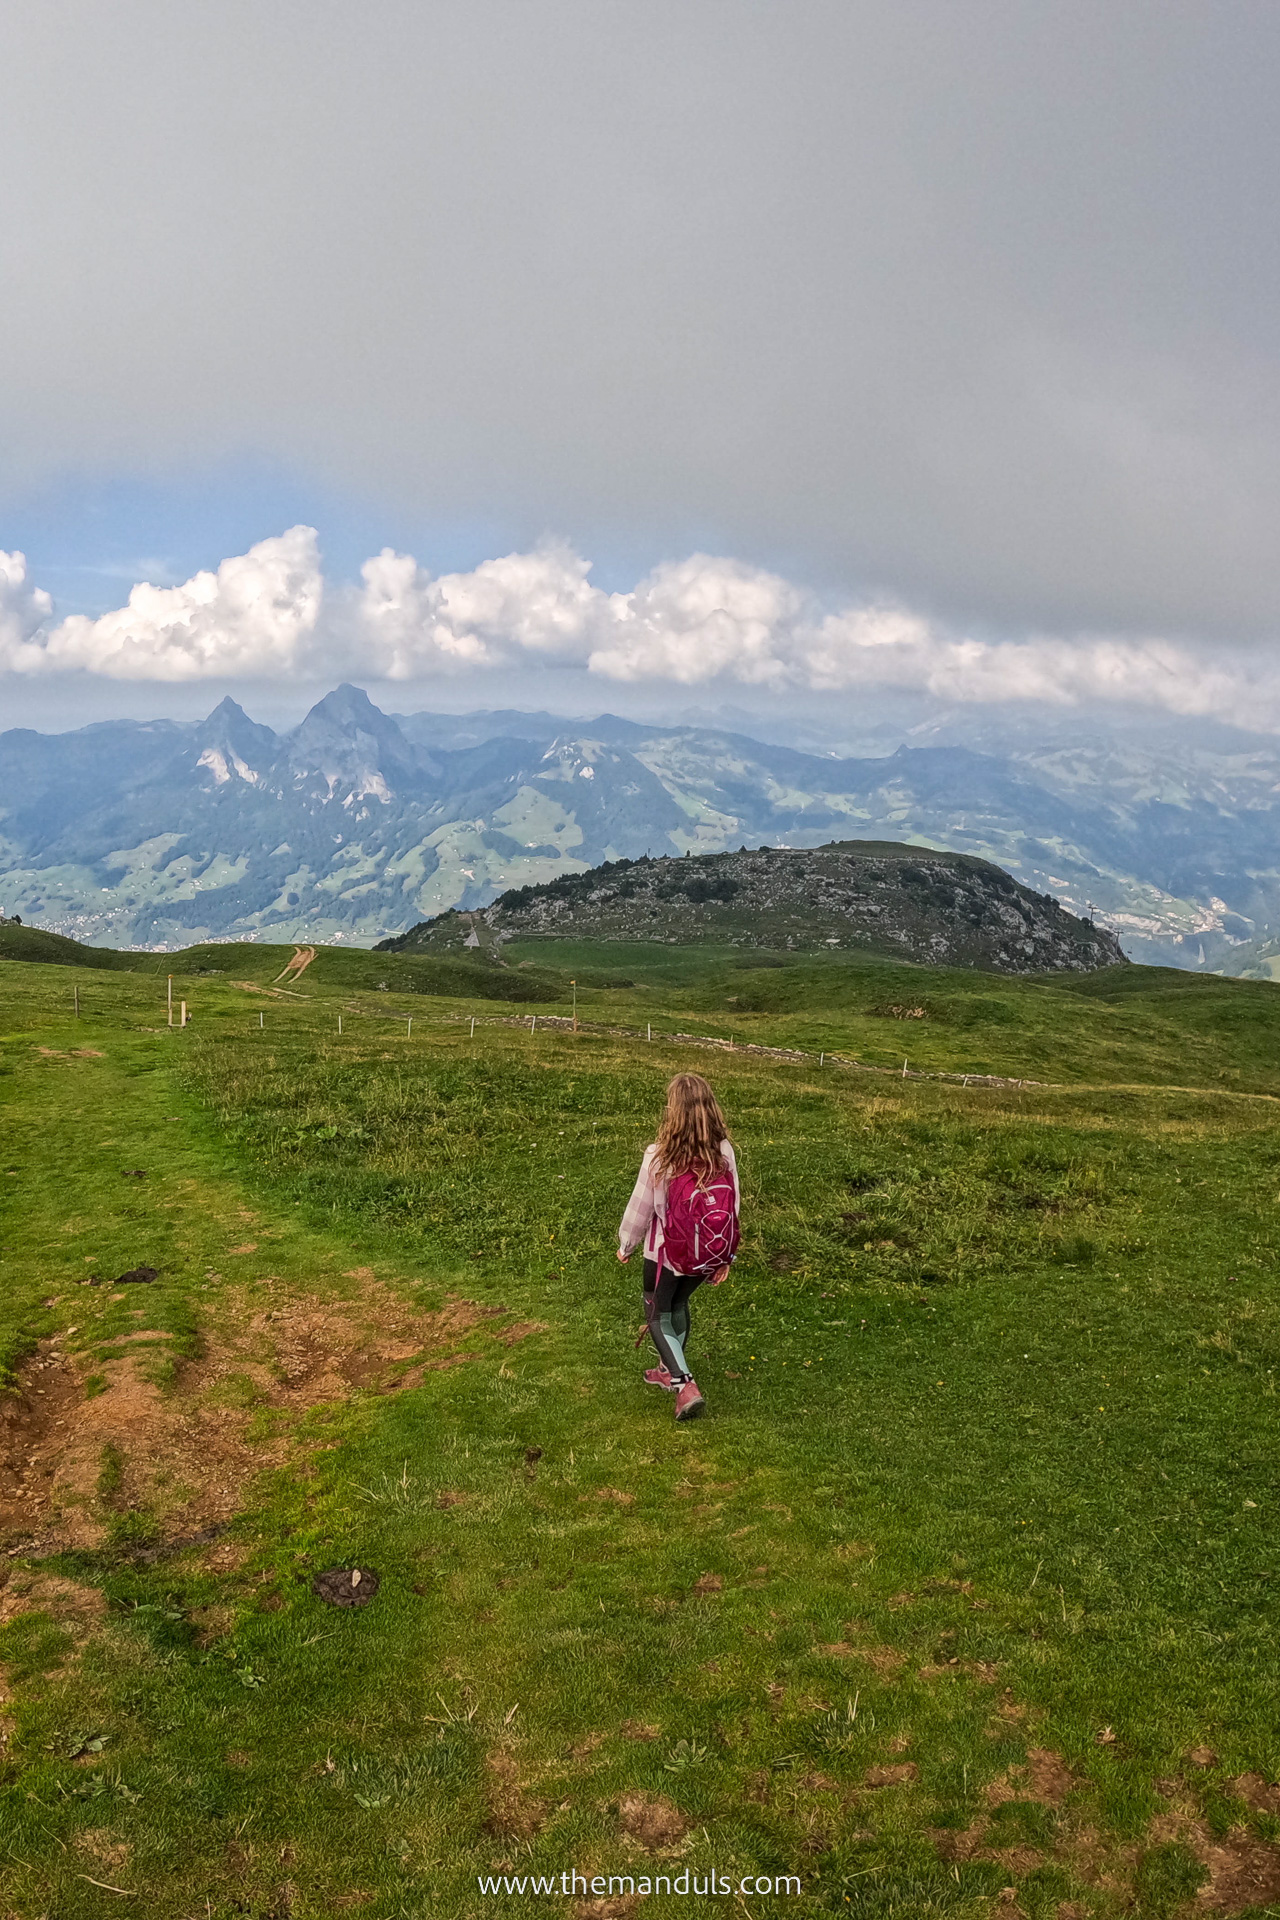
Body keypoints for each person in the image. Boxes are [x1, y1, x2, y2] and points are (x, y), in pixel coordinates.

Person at [617, 1072, 740, 1422]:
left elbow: (640, 1206)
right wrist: (726, 1255)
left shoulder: (659, 1156)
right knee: (680, 1303)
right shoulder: (724, 1150)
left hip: (665, 1253)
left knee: (657, 1313)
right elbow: (733, 1205)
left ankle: (685, 1385)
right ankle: (666, 1368)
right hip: (708, 1251)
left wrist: (626, 1244)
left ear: (673, 1112)